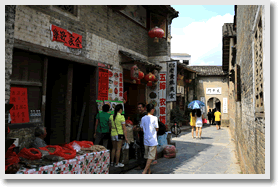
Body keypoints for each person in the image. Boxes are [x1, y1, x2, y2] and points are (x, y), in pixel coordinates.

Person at [140, 104, 159, 174]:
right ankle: (145, 170)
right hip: (153, 139)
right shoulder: (155, 118)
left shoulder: (143, 118)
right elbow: (157, 129)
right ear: (152, 110)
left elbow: (141, 128)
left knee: (147, 156)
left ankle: (149, 171)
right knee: (151, 156)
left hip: (146, 139)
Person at [133, 103, 148, 170]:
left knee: (143, 150)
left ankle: (143, 165)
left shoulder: (145, 115)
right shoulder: (141, 115)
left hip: (144, 135)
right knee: (143, 149)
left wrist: (138, 129)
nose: (139, 109)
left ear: (143, 108)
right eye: (138, 107)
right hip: (142, 135)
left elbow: (144, 126)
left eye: (140, 107)